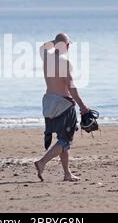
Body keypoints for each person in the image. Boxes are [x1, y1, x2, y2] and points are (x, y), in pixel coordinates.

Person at [34, 33, 89, 182]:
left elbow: (42, 46)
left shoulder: (46, 56)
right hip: (64, 104)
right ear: (68, 46)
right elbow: (72, 87)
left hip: (48, 103)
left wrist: (57, 41)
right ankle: (42, 162)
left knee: (63, 140)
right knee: (65, 140)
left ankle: (67, 173)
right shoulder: (65, 61)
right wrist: (83, 106)